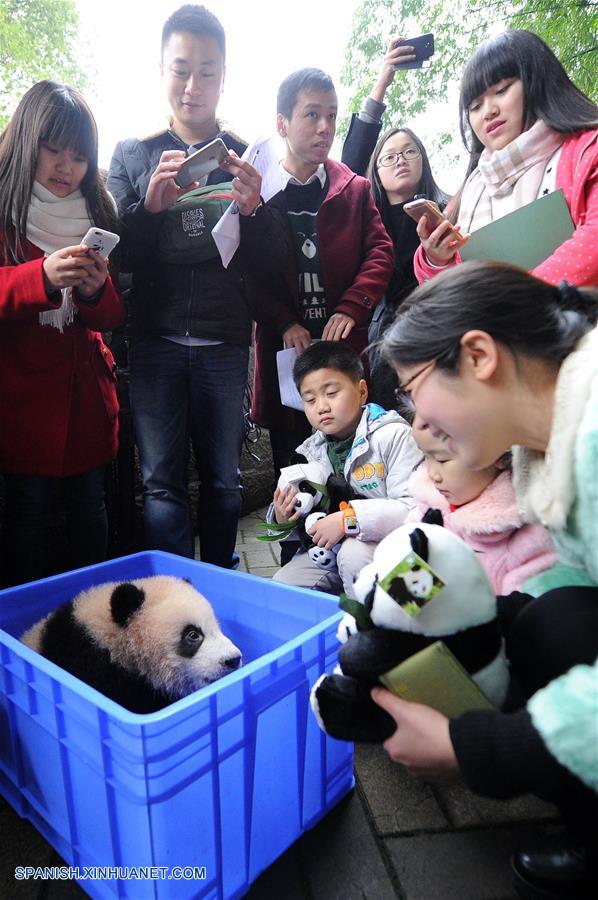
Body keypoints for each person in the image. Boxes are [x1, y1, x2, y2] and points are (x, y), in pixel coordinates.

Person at [376, 260, 598, 899]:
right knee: (550, 622)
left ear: (478, 356)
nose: (417, 416)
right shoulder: (548, 445)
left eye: (413, 388)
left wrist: (476, 749)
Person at [107, 4, 258, 569]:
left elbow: (268, 263)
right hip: (155, 340)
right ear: (162, 70)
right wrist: (148, 209)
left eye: (207, 71)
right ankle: (174, 600)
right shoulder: (132, 153)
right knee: (161, 484)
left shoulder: (246, 155)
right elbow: (118, 257)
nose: (193, 85)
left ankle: (220, 589)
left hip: (225, 341)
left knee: (224, 481)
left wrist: (258, 211)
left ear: (224, 76)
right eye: (181, 69)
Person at [236, 67, 394, 480]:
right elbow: (246, 271)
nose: (325, 127)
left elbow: (380, 252)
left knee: (359, 467)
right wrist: (283, 321)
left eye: (331, 115)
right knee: (293, 470)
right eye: (312, 114)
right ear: (282, 124)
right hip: (288, 353)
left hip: (344, 349)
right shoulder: (259, 195)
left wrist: (352, 306)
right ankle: (295, 526)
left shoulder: (354, 189)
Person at [0, 81, 123, 587]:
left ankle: (97, 613)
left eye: (78, 156)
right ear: (26, 141)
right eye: (53, 150)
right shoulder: (5, 209)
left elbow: (110, 318)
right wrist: (41, 278)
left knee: (90, 509)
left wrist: (95, 291)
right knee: (27, 513)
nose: (65, 167)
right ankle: (26, 621)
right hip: (21, 402)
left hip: (86, 402)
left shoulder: (98, 210)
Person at [414, 29, 598, 287]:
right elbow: (458, 286)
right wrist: (437, 258)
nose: (488, 112)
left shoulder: (586, 150)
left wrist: (516, 299)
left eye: (501, 90)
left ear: (539, 81)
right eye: (475, 106)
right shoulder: (471, 191)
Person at [341, 38, 449, 408]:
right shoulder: (365, 216)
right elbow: (349, 163)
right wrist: (382, 82)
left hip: (437, 338)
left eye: (409, 152)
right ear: (375, 171)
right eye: (388, 157)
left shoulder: (447, 210)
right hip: (381, 344)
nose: (400, 160)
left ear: (423, 160)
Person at [270, 341, 420, 596]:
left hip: (395, 548)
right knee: (284, 585)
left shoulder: (394, 435)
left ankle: (376, 618)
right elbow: (308, 521)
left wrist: (348, 520)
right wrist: (282, 519)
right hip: (332, 552)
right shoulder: (311, 451)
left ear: (361, 391)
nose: (322, 407)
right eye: (310, 399)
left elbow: (413, 509)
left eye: (331, 393)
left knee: (353, 554)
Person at [406, 420, 556, 596]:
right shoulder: (426, 509)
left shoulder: (528, 538)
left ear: (498, 455)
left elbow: (526, 607)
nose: (432, 474)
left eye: (442, 459)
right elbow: (404, 600)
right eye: (426, 456)